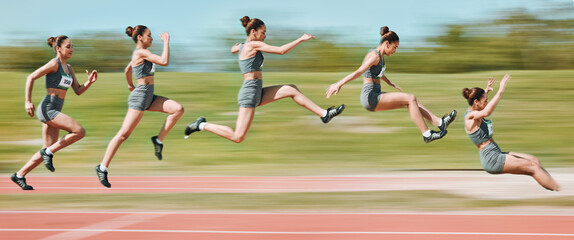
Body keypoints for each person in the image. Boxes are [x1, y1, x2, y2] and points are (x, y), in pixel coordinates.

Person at [184, 16, 344, 142]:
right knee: (238, 137)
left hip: (256, 90)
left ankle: (324, 114)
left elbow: (234, 49)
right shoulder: (252, 45)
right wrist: (301, 39)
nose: (265, 35)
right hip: (249, 92)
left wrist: (238, 46)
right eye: (263, 32)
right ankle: (201, 125)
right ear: (253, 32)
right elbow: (281, 51)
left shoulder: (244, 45)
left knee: (291, 89)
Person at [326, 26, 456, 143]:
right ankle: (427, 134)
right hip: (371, 97)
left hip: (375, 94)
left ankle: (440, 122)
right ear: (387, 44)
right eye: (395, 47)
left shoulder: (380, 57)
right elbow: (360, 71)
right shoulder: (374, 56)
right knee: (410, 98)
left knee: (412, 102)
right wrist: (339, 83)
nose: (395, 51)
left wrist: (389, 82)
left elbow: (378, 73)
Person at [95, 25, 184, 188]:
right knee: (123, 134)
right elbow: (164, 61)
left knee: (177, 109)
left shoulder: (139, 54)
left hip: (149, 95)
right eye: (149, 35)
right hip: (140, 97)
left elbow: (127, 69)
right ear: (140, 38)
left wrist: (130, 84)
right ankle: (102, 167)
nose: (152, 38)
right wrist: (166, 42)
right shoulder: (141, 52)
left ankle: (158, 140)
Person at [11, 35, 98, 190]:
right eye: (68, 46)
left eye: (72, 46)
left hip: (56, 110)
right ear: (58, 49)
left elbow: (78, 90)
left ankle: (19, 175)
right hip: (47, 109)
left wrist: (89, 82)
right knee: (79, 131)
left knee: (48, 148)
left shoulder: (69, 68)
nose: (71, 49)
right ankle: (48, 153)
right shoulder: (54, 64)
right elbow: (31, 77)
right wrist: (27, 101)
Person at [462, 74, 560, 191]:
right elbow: (486, 112)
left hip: (495, 153)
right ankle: (560, 191)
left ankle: (554, 188)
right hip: (492, 158)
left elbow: (482, 107)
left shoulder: (475, 108)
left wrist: (486, 90)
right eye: (485, 101)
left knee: (534, 160)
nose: (486, 103)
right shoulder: (470, 117)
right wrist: (500, 91)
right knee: (533, 167)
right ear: (476, 102)